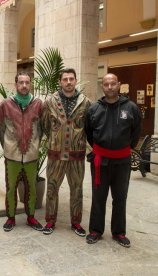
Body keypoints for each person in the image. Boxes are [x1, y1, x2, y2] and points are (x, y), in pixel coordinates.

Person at [84, 73, 141, 248]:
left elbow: (136, 132)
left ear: (119, 85)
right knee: (98, 197)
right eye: (106, 84)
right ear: (103, 86)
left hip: (122, 161)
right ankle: (95, 230)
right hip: (100, 161)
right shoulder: (94, 109)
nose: (109, 87)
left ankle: (119, 232)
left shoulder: (131, 108)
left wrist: (124, 147)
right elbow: (89, 132)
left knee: (120, 197)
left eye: (113, 83)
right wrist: (101, 148)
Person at [41, 68, 91, 236]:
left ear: (76, 80)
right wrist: (56, 139)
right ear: (60, 82)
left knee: (77, 188)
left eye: (71, 79)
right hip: (56, 154)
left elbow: (88, 127)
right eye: (65, 79)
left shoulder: (86, 102)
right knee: (52, 188)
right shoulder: (50, 102)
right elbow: (45, 125)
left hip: (76, 155)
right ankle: (50, 220)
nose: (68, 82)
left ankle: (76, 222)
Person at [0, 72, 44, 232]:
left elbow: (42, 129)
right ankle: (10, 217)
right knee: (11, 187)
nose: (24, 85)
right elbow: (1, 129)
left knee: (31, 187)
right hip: (12, 155)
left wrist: (35, 145)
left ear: (30, 84)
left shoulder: (38, 104)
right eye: (21, 82)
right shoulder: (6, 105)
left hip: (31, 155)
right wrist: (8, 147)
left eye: (27, 82)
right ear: (16, 84)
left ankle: (31, 216)